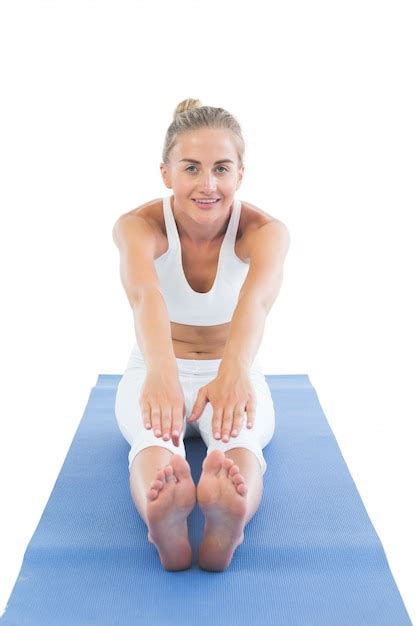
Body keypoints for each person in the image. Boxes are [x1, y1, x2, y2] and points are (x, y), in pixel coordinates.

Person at [113, 98, 290, 573]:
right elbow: (145, 296)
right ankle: (164, 516)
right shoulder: (139, 226)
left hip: (232, 364)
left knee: (238, 446)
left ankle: (228, 518)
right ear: (166, 173)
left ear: (240, 174)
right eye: (191, 168)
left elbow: (256, 301)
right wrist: (161, 372)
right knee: (154, 444)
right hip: (154, 364)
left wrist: (234, 372)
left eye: (221, 168)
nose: (208, 185)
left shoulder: (265, 231)